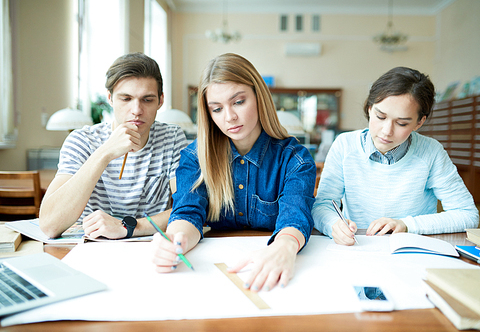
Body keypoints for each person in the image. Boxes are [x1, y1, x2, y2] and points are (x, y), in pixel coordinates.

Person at [152, 53, 316, 292]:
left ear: (259, 97)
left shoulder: (295, 159)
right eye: (217, 109)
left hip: (276, 278)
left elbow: (295, 214)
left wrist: (285, 247)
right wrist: (176, 240)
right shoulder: (194, 157)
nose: (229, 117)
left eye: (238, 102)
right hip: (214, 280)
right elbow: (187, 212)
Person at [312, 67, 479, 245]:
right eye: (380, 116)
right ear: (369, 109)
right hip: (358, 249)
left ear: (419, 122)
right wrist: (333, 225)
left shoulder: (431, 152)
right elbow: (322, 205)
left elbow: (467, 214)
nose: (387, 131)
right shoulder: (345, 146)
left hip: (413, 250)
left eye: (401, 123)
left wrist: (407, 225)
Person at [39, 52, 188, 239]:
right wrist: (105, 153)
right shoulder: (81, 140)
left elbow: (187, 208)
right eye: (126, 99)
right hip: (91, 248)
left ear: (161, 100)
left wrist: (127, 227)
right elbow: (49, 225)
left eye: (147, 99)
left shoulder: (172, 138)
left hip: (150, 247)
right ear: (110, 98)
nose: (136, 110)